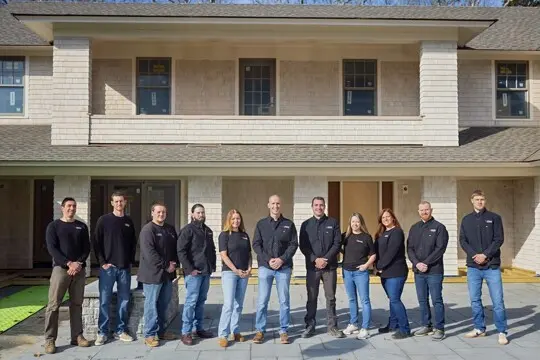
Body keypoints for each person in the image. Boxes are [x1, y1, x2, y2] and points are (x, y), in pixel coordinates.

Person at [459, 190, 508, 345]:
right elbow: (463, 240)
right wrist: (475, 255)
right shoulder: (466, 220)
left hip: (491, 266)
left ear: (485, 201)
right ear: (471, 201)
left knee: (498, 301)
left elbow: (498, 239)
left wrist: (485, 255)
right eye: (477, 199)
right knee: (474, 299)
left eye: (482, 199)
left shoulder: (494, 218)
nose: (480, 202)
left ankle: (501, 331)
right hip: (473, 267)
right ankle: (479, 328)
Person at [44, 197, 91, 354]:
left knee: (77, 304)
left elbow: (86, 249)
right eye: (69, 206)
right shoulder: (54, 226)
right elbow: (52, 249)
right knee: (53, 305)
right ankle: (50, 340)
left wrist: (78, 263)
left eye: (74, 206)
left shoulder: (81, 227)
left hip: (79, 270)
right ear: (62, 208)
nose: (72, 208)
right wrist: (68, 263)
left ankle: (77, 336)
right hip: (60, 270)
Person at [92, 191, 137, 345]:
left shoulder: (128, 221)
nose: (119, 204)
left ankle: (120, 330)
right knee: (104, 300)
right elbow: (96, 242)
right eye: (116, 201)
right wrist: (102, 262)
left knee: (124, 300)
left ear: (125, 203)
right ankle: (102, 332)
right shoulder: (103, 220)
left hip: (124, 268)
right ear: (112, 203)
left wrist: (130, 261)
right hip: (108, 268)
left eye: (121, 201)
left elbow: (133, 243)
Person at [252, 194, 298, 345]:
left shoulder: (289, 224)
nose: (275, 206)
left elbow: (293, 244)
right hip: (266, 267)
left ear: (281, 205)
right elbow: (256, 244)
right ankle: (260, 330)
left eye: (278, 203)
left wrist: (281, 259)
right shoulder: (261, 224)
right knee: (262, 301)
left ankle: (283, 331)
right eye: (273, 203)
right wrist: (268, 259)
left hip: (283, 268)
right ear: (268, 205)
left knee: (284, 301)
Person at [299, 196, 343, 338]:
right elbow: (303, 246)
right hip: (313, 268)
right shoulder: (306, 225)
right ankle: (310, 326)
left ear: (325, 207)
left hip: (329, 267)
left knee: (330, 297)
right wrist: (314, 259)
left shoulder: (333, 223)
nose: (319, 207)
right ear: (312, 207)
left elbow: (337, 243)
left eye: (321, 205)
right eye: (316, 205)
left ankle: (332, 327)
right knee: (312, 297)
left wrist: (326, 259)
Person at [137, 202, 178, 347]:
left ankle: (161, 331)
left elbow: (175, 249)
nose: (161, 214)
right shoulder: (148, 230)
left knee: (163, 304)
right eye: (158, 212)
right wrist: (166, 265)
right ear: (152, 213)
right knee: (151, 305)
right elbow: (149, 254)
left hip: (167, 275)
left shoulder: (170, 229)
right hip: (152, 275)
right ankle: (149, 334)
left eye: (164, 212)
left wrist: (174, 264)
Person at [407, 201, 449, 341]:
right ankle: (426, 325)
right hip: (419, 271)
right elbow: (410, 248)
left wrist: (426, 263)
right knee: (422, 300)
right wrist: (417, 263)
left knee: (436, 299)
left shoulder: (439, 228)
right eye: (421, 210)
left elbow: (440, 249)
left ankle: (439, 328)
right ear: (418, 211)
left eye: (426, 209)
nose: (424, 212)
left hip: (434, 271)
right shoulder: (414, 228)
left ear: (431, 210)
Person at [177, 204, 216, 346]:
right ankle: (186, 332)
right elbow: (181, 251)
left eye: (202, 212)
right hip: (194, 273)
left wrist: (212, 267)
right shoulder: (187, 230)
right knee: (191, 302)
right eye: (198, 212)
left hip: (206, 272)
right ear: (192, 214)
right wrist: (190, 269)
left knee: (201, 301)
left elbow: (212, 250)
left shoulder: (208, 231)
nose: (201, 214)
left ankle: (198, 329)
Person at [216, 209, 252, 348]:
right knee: (229, 304)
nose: (236, 221)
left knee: (239, 305)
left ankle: (235, 331)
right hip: (230, 273)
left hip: (243, 274)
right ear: (229, 220)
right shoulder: (224, 235)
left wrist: (249, 268)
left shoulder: (244, 235)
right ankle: (223, 334)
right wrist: (235, 270)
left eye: (238, 218)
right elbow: (224, 255)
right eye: (233, 219)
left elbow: (249, 254)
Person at [374, 208, 411, 339]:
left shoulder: (397, 232)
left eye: (388, 217)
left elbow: (392, 252)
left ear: (393, 218)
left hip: (396, 272)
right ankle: (393, 324)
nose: (385, 219)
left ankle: (405, 329)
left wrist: (379, 266)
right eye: (383, 217)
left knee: (395, 299)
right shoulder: (381, 234)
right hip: (384, 273)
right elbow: (376, 252)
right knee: (392, 299)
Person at [341, 212, 376, 340]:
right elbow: (338, 247)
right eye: (353, 222)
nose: (355, 224)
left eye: (357, 222)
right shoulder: (345, 236)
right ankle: (354, 324)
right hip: (347, 272)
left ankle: (365, 328)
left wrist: (366, 265)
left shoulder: (366, 237)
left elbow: (373, 254)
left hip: (360, 273)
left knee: (364, 300)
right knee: (351, 299)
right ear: (350, 223)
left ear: (361, 223)